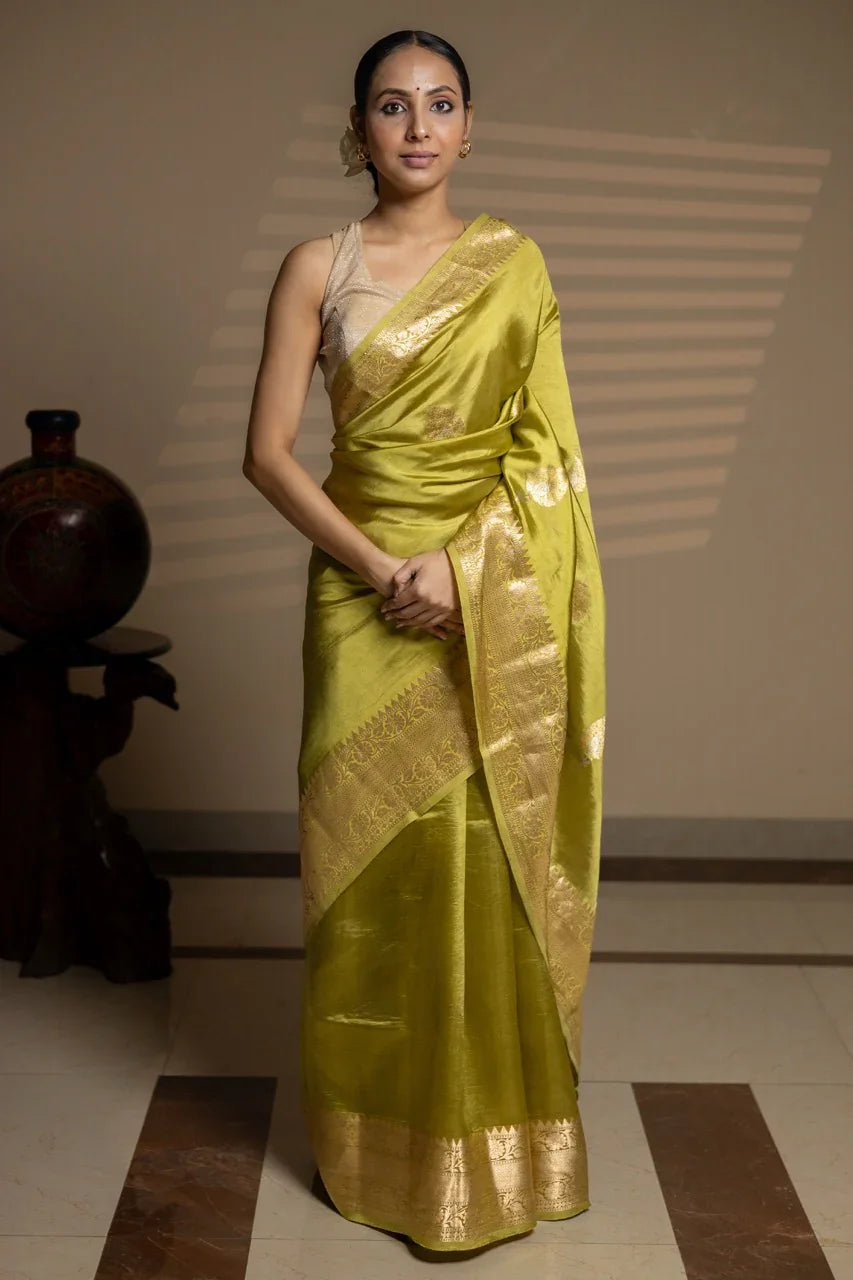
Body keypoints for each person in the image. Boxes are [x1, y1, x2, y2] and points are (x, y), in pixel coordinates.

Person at [242, 28, 606, 1254]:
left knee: (481, 860)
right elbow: (267, 454)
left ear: (469, 125)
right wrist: (381, 569)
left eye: (440, 103)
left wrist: (462, 570)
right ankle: (374, 1148)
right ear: (359, 128)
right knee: (366, 874)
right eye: (392, 105)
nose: (417, 125)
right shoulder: (319, 264)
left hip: (483, 597)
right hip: (361, 599)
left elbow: (548, 458)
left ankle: (492, 1150)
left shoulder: (514, 264)